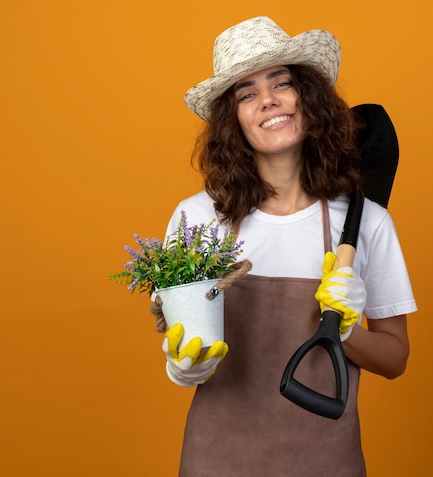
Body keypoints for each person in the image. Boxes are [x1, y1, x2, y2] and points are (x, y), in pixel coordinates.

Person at [157, 16, 417, 476]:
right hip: (216, 461)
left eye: (282, 83)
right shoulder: (198, 220)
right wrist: (185, 366)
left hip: (326, 460)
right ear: (232, 119)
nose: (269, 101)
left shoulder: (366, 221)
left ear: (308, 98)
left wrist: (347, 332)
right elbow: (183, 334)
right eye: (247, 94)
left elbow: (395, 358)